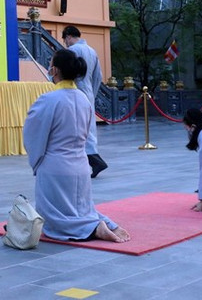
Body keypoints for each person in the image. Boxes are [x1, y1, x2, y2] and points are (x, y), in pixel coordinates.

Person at [22, 48, 130, 243]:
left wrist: (37, 162)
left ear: (54, 70)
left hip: (55, 167)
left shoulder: (48, 99)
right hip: (80, 166)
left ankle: (93, 227)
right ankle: (100, 223)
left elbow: (32, 134)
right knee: (81, 209)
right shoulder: (83, 99)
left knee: (54, 219)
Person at [61, 25, 107, 178]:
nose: (65, 43)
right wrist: (91, 93)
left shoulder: (73, 51)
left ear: (68, 36)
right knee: (88, 128)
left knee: (78, 128)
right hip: (88, 92)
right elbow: (98, 76)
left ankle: (93, 160)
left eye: (65, 39)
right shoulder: (92, 51)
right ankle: (93, 159)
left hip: (75, 91)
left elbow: (67, 73)